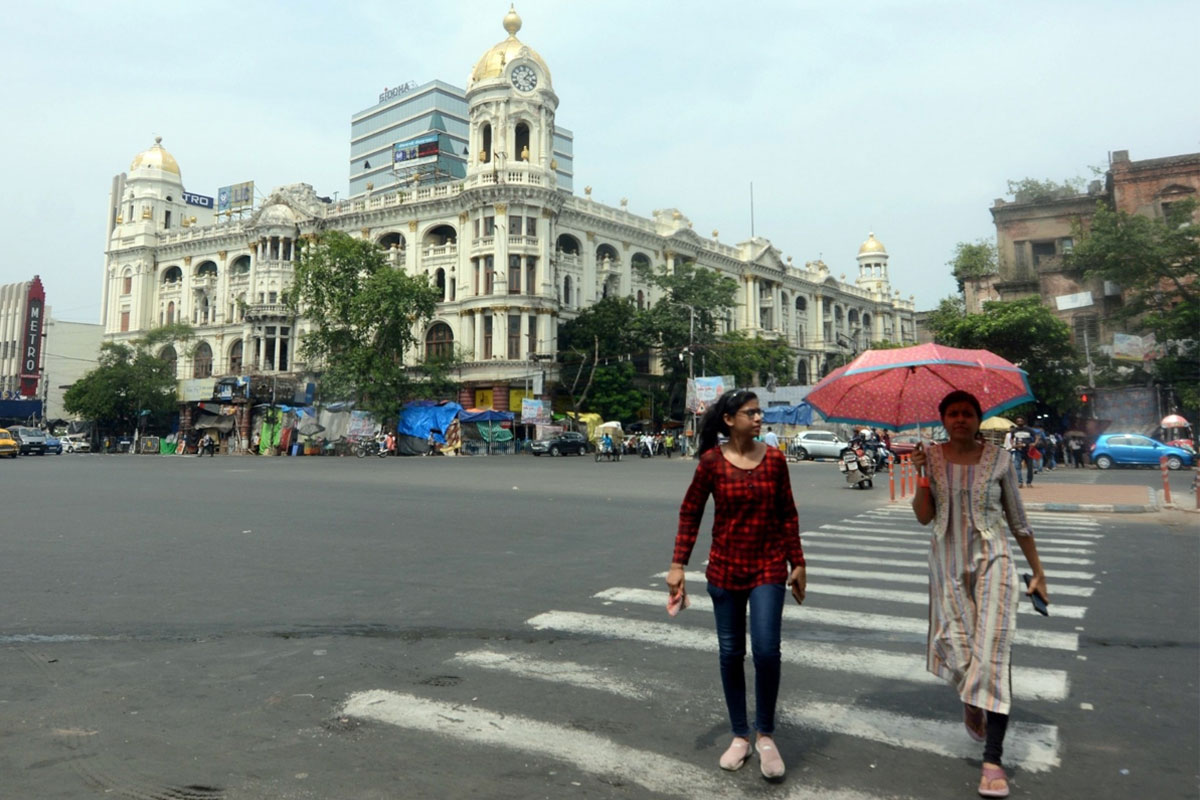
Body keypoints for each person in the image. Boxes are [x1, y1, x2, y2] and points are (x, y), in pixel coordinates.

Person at [911, 390, 1049, 798]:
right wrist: (920, 475)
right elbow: (923, 517)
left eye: (967, 413)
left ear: (978, 419)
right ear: (943, 419)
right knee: (953, 643)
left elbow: (1018, 519)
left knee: (993, 649)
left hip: (994, 559)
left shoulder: (1001, 460)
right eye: (952, 413)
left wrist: (1038, 571)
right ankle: (972, 697)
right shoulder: (930, 458)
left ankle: (993, 759)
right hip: (947, 561)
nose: (959, 419)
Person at [667, 389, 806, 781]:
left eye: (760, 412)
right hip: (725, 570)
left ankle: (765, 735)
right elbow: (690, 513)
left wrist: (799, 562)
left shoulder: (775, 460)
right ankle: (740, 735)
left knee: (765, 651)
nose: (759, 418)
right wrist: (678, 565)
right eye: (751, 413)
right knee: (731, 654)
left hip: (767, 567)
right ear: (729, 420)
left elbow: (788, 514)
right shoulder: (711, 462)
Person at [1008, 416, 1037, 487]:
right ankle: (1020, 482)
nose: (1019, 422)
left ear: (1024, 422)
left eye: (1021, 421)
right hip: (1018, 450)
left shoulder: (1029, 429)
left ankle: (1029, 482)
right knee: (1017, 466)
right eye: (1018, 421)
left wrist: (1034, 443)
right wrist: (1013, 445)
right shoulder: (1014, 430)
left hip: (1028, 451)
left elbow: (1037, 436)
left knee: (1030, 467)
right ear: (1016, 422)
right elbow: (1011, 438)